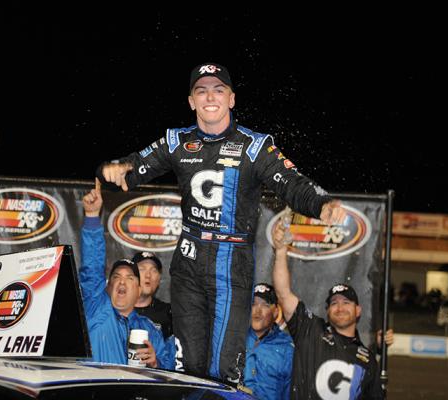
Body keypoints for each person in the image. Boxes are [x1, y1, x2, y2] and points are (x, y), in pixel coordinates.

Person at [97, 61, 345, 383]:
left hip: (232, 265)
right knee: (189, 367)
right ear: (192, 102)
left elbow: (292, 183)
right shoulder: (176, 141)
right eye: (202, 92)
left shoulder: (255, 147)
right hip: (188, 264)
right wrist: (113, 169)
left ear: (231, 99)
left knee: (224, 369)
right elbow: (131, 167)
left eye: (218, 90)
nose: (210, 97)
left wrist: (321, 203)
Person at [271, 221, 383, 399]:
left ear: (358, 310)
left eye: (346, 302)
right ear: (328, 311)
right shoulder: (310, 330)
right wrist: (281, 251)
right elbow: (283, 294)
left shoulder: (368, 359)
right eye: (334, 303)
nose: (340, 307)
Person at [80, 180, 172, 369]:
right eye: (116, 277)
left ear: (138, 290)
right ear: (108, 287)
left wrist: (156, 363)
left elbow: (168, 370)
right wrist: (92, 216)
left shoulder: (149, 329)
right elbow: (92, 267)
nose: (122, 281)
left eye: (130, 278)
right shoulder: (97, 308)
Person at [243, 283, 293, 400]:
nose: (257, 311)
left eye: (265, 305)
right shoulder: (236, 337)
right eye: (253, 304)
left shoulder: (287, 348)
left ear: (276, 312)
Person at [132, 251, 173, 339]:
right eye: (142, 269)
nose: (148, 275)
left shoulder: (169, 314)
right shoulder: (116, 311)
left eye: (153, 270)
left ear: (159, 279)